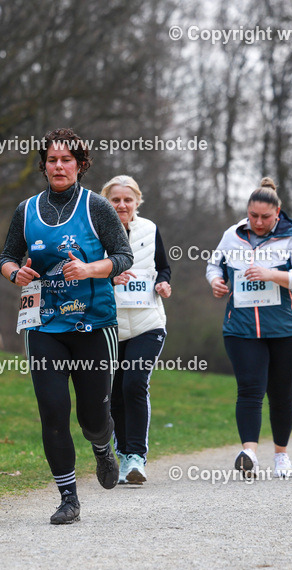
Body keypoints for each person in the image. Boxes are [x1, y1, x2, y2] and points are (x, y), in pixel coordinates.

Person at [0, 128, 133, 524]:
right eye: (52, 160)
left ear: (80, 165)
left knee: (92, 416)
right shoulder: (26, 210)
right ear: (43, 165)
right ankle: (68, 498)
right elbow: (7, 256)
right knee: (53, 412)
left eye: (67, 160)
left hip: (93, 326)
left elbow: (123, 256)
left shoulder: (97, 208)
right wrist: (14, 274)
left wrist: (91, 269)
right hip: (43, 325)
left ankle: (102, 445)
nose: (59, 166)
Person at [206, 178, 292, 479]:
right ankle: (250, 453)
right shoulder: (233, 235)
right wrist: (216, 281)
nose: (257, 222)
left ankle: (281, 455)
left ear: (277, 212)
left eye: (265, 217)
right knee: (250, 390)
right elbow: (214, 264)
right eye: (252, 215)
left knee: (280, 393)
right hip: (241, 328)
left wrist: (272, 274)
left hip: (287, 330)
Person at [101, 175, 171, 485]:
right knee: (114, 392)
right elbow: (84, 273)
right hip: (110, 324)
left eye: (127, 199)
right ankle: (123, 455)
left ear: (137, 202)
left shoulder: (151, 229)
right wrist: (107, 278)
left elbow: (163, 265)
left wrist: (163, 282)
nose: (122, 205)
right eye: (115, 199)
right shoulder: (95, 231)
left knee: (134, 384)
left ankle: (137, 459)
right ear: (106, 202)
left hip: (147, 322)